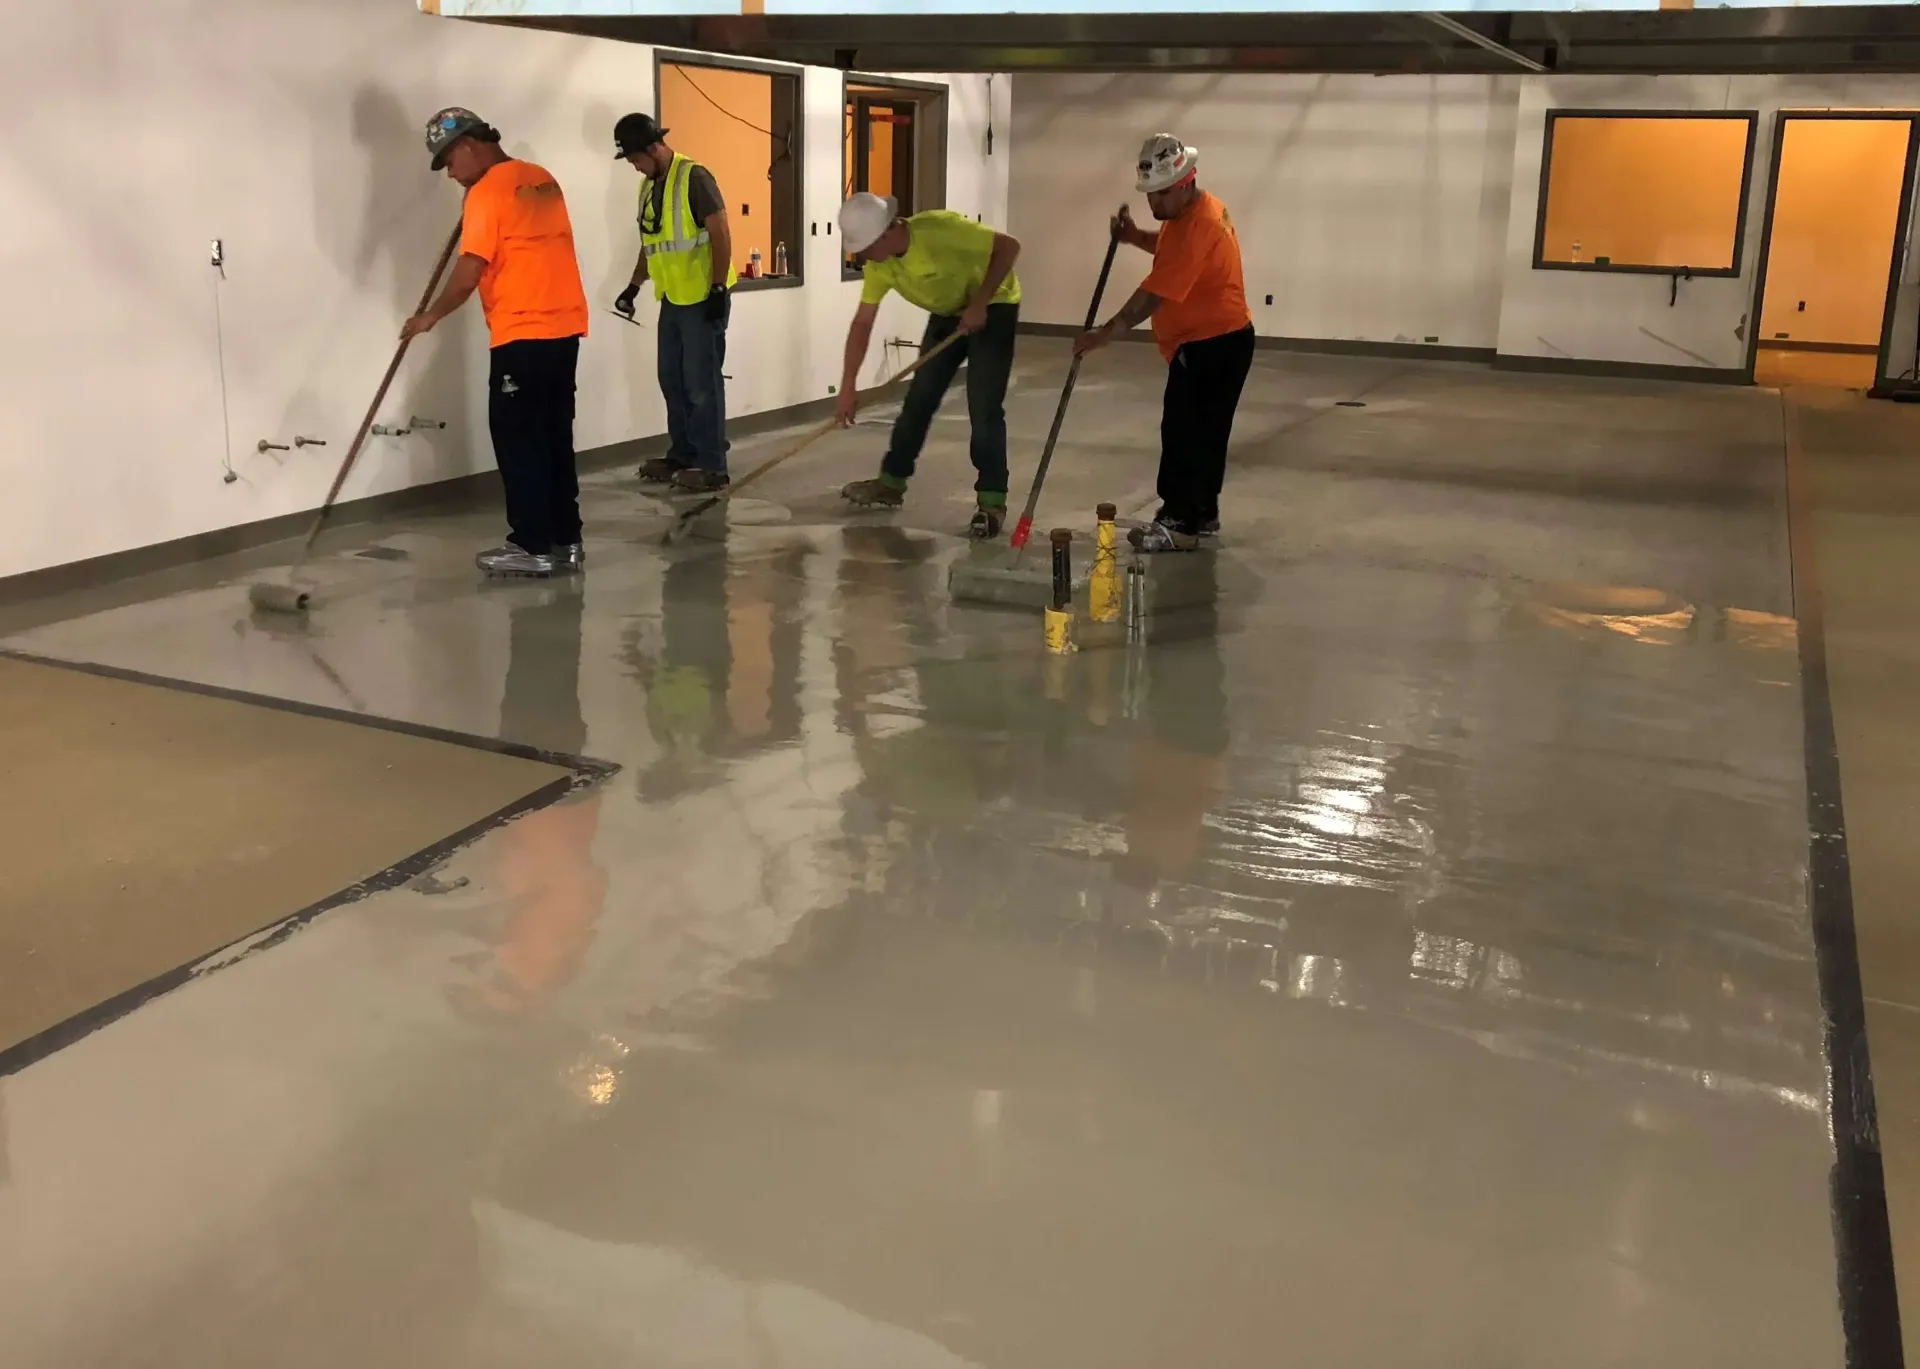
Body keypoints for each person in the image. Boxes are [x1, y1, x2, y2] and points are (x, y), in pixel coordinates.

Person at [402, 108, 588, 578]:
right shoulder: (541, 178)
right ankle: (566, 541)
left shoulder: (485, 193)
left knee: (519, 441)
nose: (450, 174)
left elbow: (470, 270)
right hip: (564, 328)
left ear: (468, 146)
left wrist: (431, 316)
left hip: (521, 333)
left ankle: (530, 546)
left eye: (448, 162)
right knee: (553, 437)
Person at [1074, 133, 1254, 553]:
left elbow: (1152, 296)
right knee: (1208, 432)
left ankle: (1180, 522)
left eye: (1160, 195)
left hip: (1211, 343)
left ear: (1186, 181)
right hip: (1223, 339)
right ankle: (1202, 511)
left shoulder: (1199, 223)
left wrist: (1106, 333)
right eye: (1149, 195)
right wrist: (1135, 236)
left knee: (1184, 433)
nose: (1153, 205)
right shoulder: (1190, 213)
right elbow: (1169, 250)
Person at [835, 193, 1023, 540]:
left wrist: (980, 303)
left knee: (983, 406)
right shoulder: (881, 266)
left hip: (994, 305)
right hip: (949, 313)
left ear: (888, 232)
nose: (862, 256)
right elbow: (862, 323)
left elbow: (1009, 247)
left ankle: (992, 501)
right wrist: (848, 385)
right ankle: (891, 482)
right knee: (919, 398)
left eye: (865, 247)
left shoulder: (941, 229)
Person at [612, 113, 736, 495]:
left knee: (702, 384)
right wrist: (633, 286)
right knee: (673, 380)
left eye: (636, 159)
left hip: (702, 297)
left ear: (653, 148)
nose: (635, 167)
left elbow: (721, 232)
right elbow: (653, 242)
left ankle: (712, 465)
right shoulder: (649, 186)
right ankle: (683, 454)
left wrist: (718, 289)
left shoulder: (694, 177)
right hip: (671, 297)